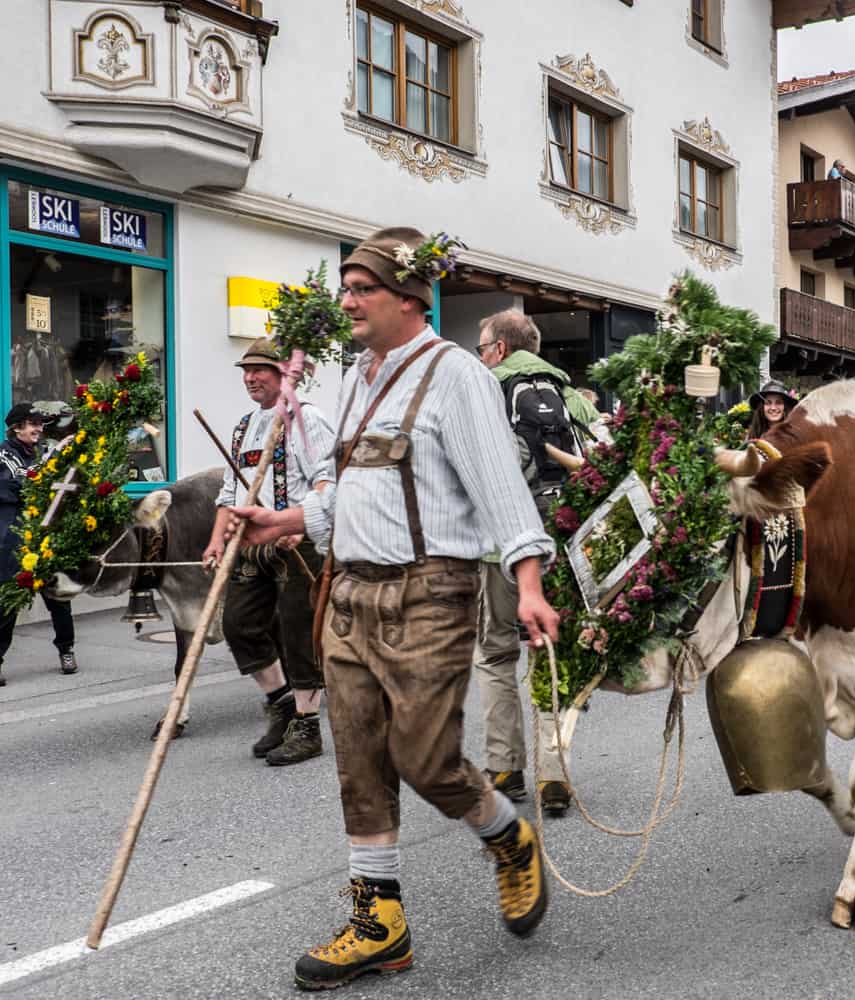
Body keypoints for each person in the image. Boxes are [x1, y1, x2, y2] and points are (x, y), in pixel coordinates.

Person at [229, 227, 560, 989]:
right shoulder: (358, 377)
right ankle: (380, 922)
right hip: (347, 592)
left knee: (425, 759)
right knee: (358, 758)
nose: (345, 301)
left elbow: (501, 492)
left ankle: (507, 837)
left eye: (360, 288)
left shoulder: (456, 376)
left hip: (429, 594)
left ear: (408, 298)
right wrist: (290, 521)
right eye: (346, 287)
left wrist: (531, 584)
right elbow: (351, 486)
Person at [474, 308, 600, 816]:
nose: (481, 355)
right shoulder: (571, 397)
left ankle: (504, 767)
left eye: (483, 347)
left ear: (500, 349)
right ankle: (555, 774)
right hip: (560, 542)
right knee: (552, 651)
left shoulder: (486, 390)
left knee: (496, 653)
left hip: (500, 545)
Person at [202, 339, 335, 765]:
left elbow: (326, 481)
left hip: (298, 544)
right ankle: (280, 703)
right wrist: (216, 540)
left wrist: (297, 521)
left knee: (298, 635)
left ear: (284, 374)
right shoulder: (244, 427)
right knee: (238, 625)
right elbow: (229, 493)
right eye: (246, 371)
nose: (250, 378)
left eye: (259, 370)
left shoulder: (307, 419)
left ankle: (307, 725)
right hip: (252, 546)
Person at [0, 403, 77, 686]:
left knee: (57, 595)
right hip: (14, 537)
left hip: (43, 534)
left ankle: (67, 650)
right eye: (33, 424)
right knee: (10, 599)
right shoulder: (2, 455)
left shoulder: (40, 450)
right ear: (17, 428)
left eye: (40, 424)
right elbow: (25, 481)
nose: (39, 429)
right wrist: (55, 455)